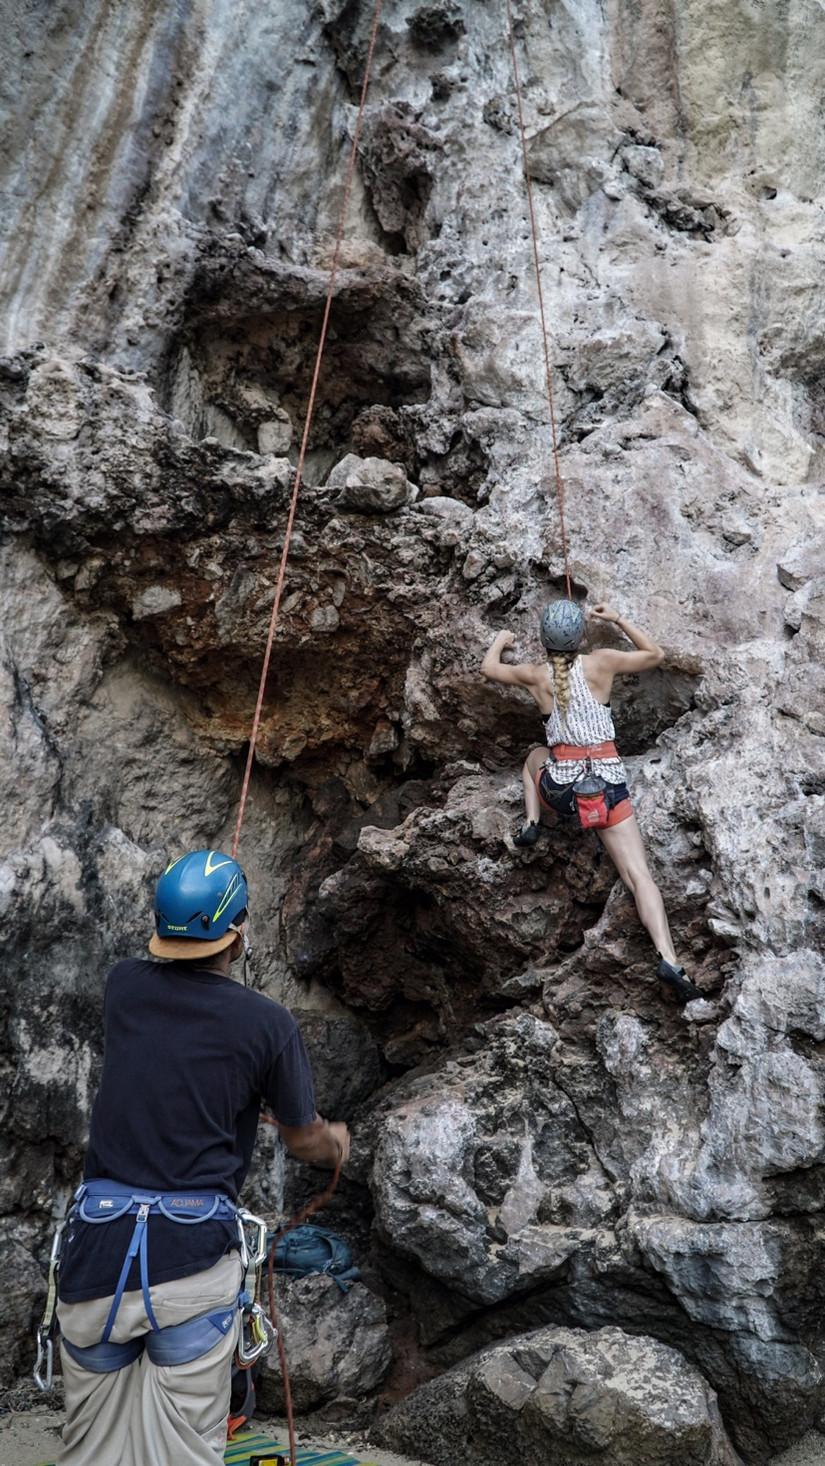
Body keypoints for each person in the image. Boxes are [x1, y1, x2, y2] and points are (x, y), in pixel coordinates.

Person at [53, 849, 351, 1466]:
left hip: (97, 1257)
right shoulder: (268, 1024)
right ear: (237, 934)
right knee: (184, 1451)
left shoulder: (123, 986)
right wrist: (334, 1141)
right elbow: (302, 1140)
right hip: (190, 1260)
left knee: (92, 1450)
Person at [481, 600, 701, 1002]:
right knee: (640, 878)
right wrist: (617, 619)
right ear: (581, 638)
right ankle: (669, 957)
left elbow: (489, 669)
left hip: (563, 793)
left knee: (533, 759)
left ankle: (531, 823)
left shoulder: (535, 675)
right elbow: (656, 654)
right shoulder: (601, 662)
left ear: (544, 641)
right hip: (606, 789)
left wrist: (501, 638)